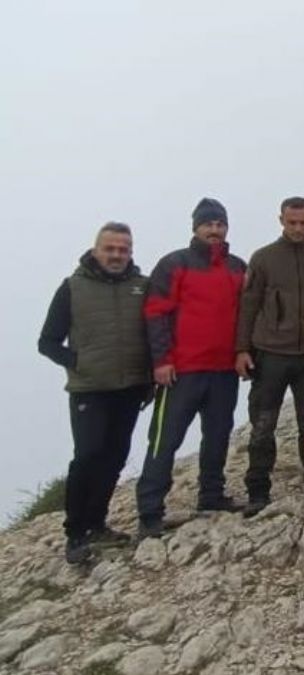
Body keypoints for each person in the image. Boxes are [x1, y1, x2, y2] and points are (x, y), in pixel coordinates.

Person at [38, 222, 151, 563]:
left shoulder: (142, 287)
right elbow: (47, 342)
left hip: (130, 388)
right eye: (110, 249)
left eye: (123, 249)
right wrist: (79, 363)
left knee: (115, 457)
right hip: (90, 390)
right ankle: (75, 533)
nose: (117, 255)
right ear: (96, 249)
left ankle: (97, 524)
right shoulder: (72, 288)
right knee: (88, 455)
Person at [137, 198, 247, 537]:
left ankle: (211, 496)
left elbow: (246, 313)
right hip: (181, 371)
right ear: (196, 227)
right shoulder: (174, 264)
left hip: (223, 370)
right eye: (208, 224)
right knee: (164, 441)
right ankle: (150, 512)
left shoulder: (237, 267)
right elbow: (155, 312)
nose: (214, 230)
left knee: (217, 437)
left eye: (220, 224)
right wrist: (162, 360)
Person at [236, 197, 304, 511]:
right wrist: (242, 349)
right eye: (292, 222)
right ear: (280, 220)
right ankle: (257, 493)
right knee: (263, 424)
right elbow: (248, 305)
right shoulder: (263, 258)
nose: (298, 228)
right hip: (270, 353)